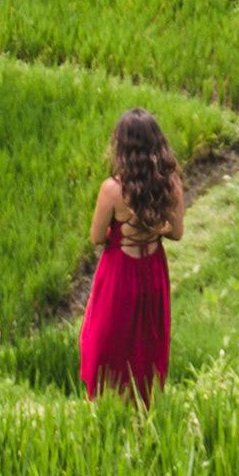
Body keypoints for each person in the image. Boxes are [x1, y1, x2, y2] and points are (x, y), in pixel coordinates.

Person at [77, 106, 183, 401]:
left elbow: (97, 237)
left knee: (105, 344)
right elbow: (176, 233)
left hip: (119, 273)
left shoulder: (112, 190)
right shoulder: (171, 184)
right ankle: (142, 416)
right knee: (146, 348)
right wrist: (153, 226)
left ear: (122, 146)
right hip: (153, 271)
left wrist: (124, 229)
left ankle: (103, 412)